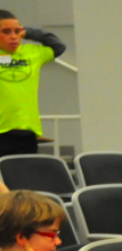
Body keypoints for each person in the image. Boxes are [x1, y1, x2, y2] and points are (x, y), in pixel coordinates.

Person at [0, 10, 65, 157]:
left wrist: (28, 32)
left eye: (17, 31)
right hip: (1, 129)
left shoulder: (32, 53)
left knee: (23, 177)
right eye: (6, 31)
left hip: (27, 131)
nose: (13, 36)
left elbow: (58, 46)